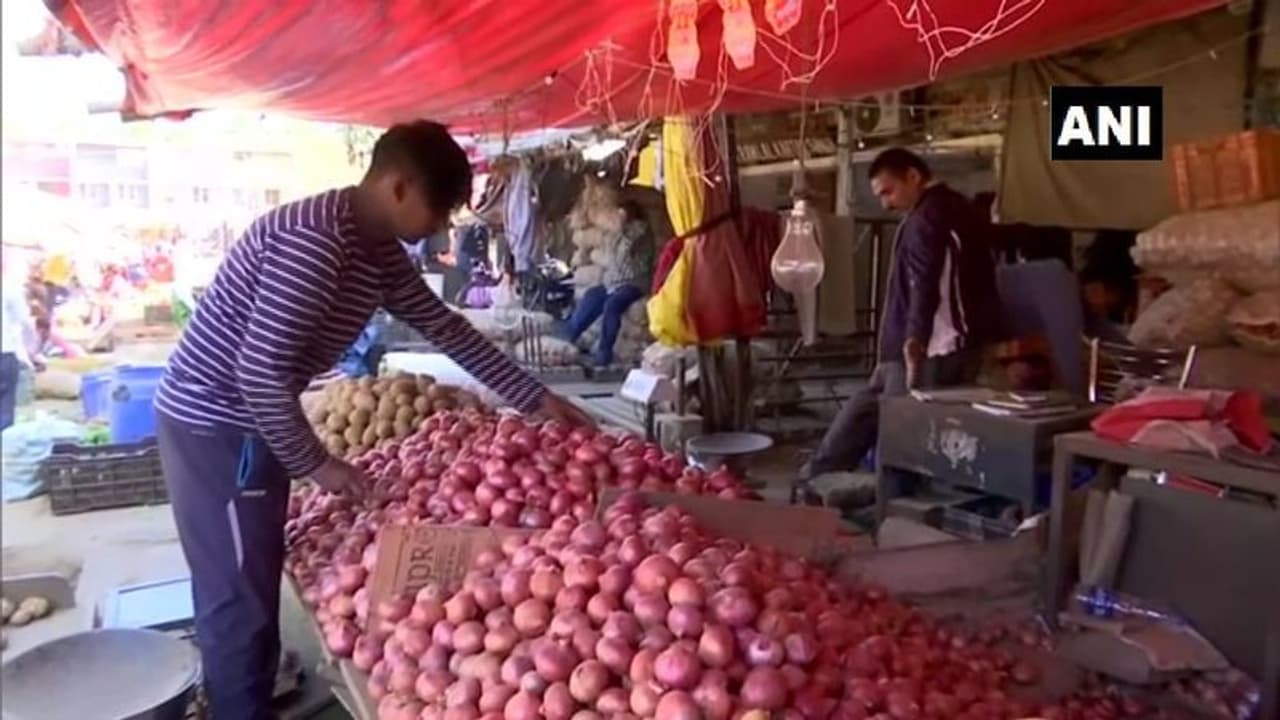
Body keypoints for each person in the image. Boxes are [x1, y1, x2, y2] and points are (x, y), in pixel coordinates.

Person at [153, 120, 594, 720]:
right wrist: (319, 465)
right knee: (238, 599)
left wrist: (531, 397)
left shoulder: (373, 247)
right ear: (399, 187)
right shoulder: (316, 242)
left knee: (254, 576)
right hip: (219, 426)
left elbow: (444, 327)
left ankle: (246, 697)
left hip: (256, 423)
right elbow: (259, 372)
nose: (440, 229)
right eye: (438, 211)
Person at [802, 148, 999, 479]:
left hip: (928, 346)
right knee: (868, 408)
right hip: (908, 341)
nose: (885, 204)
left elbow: (924, 283)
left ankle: (882, 495)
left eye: (888, 192)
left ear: (913, 176)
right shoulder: (950, 210)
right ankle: (820, 473)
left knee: (901, 429)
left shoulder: (931, 216)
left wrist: (914, 340)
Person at [559, 201, 654, 367]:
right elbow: (610, 253)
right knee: (592, 296)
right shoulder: (617, 232)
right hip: (613, 282)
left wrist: (620, 229)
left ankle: (604, 354)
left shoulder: (640, 232)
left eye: (622, 214)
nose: (618, 218)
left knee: (612, 305)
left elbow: (625, 251)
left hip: (633, 283)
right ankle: (568, 338)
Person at [2, 258, 43, 430]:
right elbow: (26, 323)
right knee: (4, 405)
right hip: (4, 353)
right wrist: (33, 349)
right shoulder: (8, 288)